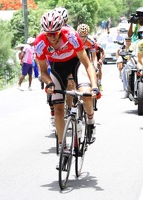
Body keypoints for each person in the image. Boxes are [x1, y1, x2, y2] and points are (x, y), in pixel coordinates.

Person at [34, 11, 101, 164]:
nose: (52, 37)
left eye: (55, 33)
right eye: (48, 33)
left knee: (86, 95)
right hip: (57, 68)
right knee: (57, 108)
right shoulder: (39, 43)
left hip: (76, 64)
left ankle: (90, 121)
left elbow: (87, 64)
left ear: (61, 29)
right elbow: (43, 72)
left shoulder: (71, 36)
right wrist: (49, 83)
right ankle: (63, 146)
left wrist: (95, 86)